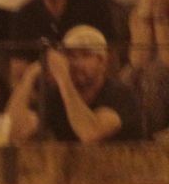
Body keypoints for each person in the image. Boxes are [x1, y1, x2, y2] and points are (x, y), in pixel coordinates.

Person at [8, 23, 144, 140]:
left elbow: (91, 133)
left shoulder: (120, 95)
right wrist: (30, 75)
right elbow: (15, 132)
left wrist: (63, 78)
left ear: (102, 62)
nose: (76, 63)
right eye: (70, 55)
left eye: (85, 55)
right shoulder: (55, 96)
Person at [127, 0, 169, 132]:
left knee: (155, 75)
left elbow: (167, 59)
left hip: (162, 73)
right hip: (154, 75)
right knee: (128, 77)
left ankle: (150, 140)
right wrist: (144, 16)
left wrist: (160, 16)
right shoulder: (141, 8)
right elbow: (138, 60)